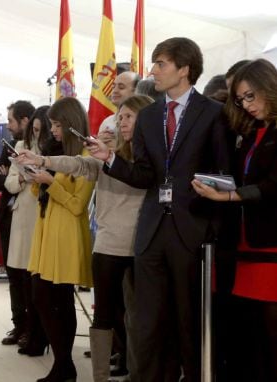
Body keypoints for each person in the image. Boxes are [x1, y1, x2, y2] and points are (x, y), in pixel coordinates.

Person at [87, 37, 230, 382]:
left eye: (161, 63)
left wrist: (209, 227)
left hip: (190, 231)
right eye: (154, 63)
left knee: (187, 321)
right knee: (147, 322)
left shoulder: (213, 113)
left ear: (184, 69)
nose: (153, 71)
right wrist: (109, 161)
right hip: (150, 232)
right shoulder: (149, 116)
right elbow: (144, 176)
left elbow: (225, 174)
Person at [19, 95, 155, 381]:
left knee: (133, 315)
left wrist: (51, 177)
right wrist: (41, 163)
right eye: (120, 116)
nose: (120, 121)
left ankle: (137, 371)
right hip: (103, 240)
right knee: (102, 314)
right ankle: (97, 375)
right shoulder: (101, 153)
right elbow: (79, 165)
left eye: (127, 116)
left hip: (136, 242)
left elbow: (79, 203)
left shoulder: (147, 155)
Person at [191, 58, 277, 382]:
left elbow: (272, 187)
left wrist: (228, 196)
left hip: (270, 248)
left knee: (270, 338)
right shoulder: (251, 132)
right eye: (241, 99)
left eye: (250, 96)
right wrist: (219, 188)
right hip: (243, 245)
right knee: (250, 338)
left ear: (269, 85)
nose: (246, 105)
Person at [22, 97, 95, 382]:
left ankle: (64, 364)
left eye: (56, 124)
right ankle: (64, 364)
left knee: (60, 299)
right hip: (46, 230)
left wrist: (51, 184)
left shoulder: (88, 157)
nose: (52, 130)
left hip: (66, 235)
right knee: (41, 297)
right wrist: (35, 179)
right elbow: (39, 194)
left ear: (71, 123)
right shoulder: (54, 152)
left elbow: (78, 206)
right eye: (51, 124)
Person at [4, 105, 52, 356]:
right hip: (23, 217)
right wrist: (24, 177)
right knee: (22, 277)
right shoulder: (22, 148)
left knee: (40, 283)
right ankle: (25, 329)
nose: (35, 135)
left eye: (40, 131)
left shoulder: (54, 150)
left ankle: (40, 333)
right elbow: (9, 183)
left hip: (44, 217)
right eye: (33, 130)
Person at [0, 100, 35, 346]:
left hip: (29, 220)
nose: (7, 125)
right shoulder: (10, 148)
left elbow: (6, 177)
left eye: (10, 120)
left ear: (24, 121)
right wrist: (8, 174)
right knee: (14, 276)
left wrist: (10, 174)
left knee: (29, 277)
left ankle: (32, 327)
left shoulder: (38, 149)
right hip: (8, 219)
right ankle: (18, 325)